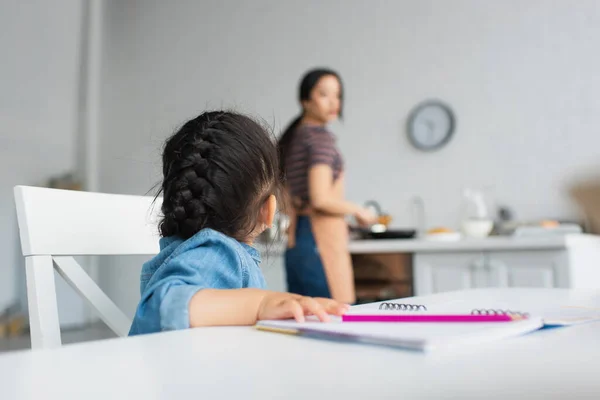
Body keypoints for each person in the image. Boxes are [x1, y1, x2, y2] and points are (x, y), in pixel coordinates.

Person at [129, 111, 349, 335]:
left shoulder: (198, 251)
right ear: (268, 210)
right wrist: (260, 304)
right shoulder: (218, 252)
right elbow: (163, 306)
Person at [278, 68, 377, 305]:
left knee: (303, 318)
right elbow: (320, 199)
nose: (334, 102)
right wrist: (359, 211)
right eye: (324, 94)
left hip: (297, 239)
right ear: (305, 100)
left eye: (338, 95)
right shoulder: (318, 139)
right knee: (332, 316)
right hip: (318, 240)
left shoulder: (293, 137)